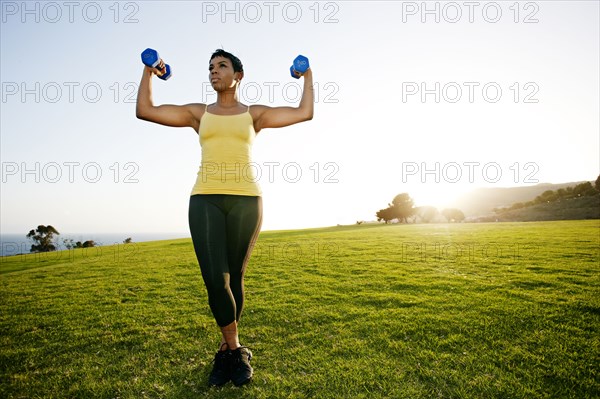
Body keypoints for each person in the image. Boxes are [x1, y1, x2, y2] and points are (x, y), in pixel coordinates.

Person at [135, 49, 313, 387]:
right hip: (205, 198)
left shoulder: (254, 113)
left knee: (235, 278)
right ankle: (236, 349)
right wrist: (149, 72)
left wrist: (306, 75)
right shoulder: (198, 113)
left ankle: (225, 352)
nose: (214, 72)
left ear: (238, 75)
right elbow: (145, 110)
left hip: (247, 200)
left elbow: (305, 112)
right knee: (215, 278)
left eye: (221, 66)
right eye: (210, 68)